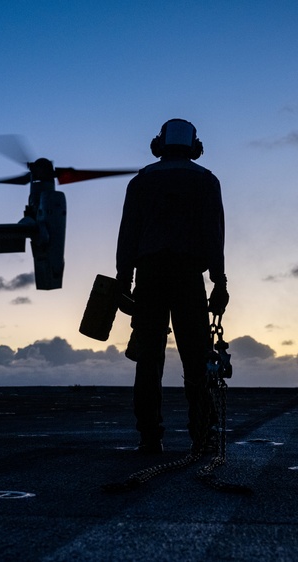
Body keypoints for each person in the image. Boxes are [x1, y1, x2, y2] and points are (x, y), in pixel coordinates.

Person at [116, 118, 228, 455]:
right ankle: (202, 435)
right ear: (195, 147)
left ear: (159, 145)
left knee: (148, 362)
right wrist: (219, 282)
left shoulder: (141, 181)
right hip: (188, 277)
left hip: (149, 277)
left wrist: (124, 280)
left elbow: (128, 235)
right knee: (197, 361)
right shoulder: (206, 180)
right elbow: (214, 236)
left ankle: (150, 437)